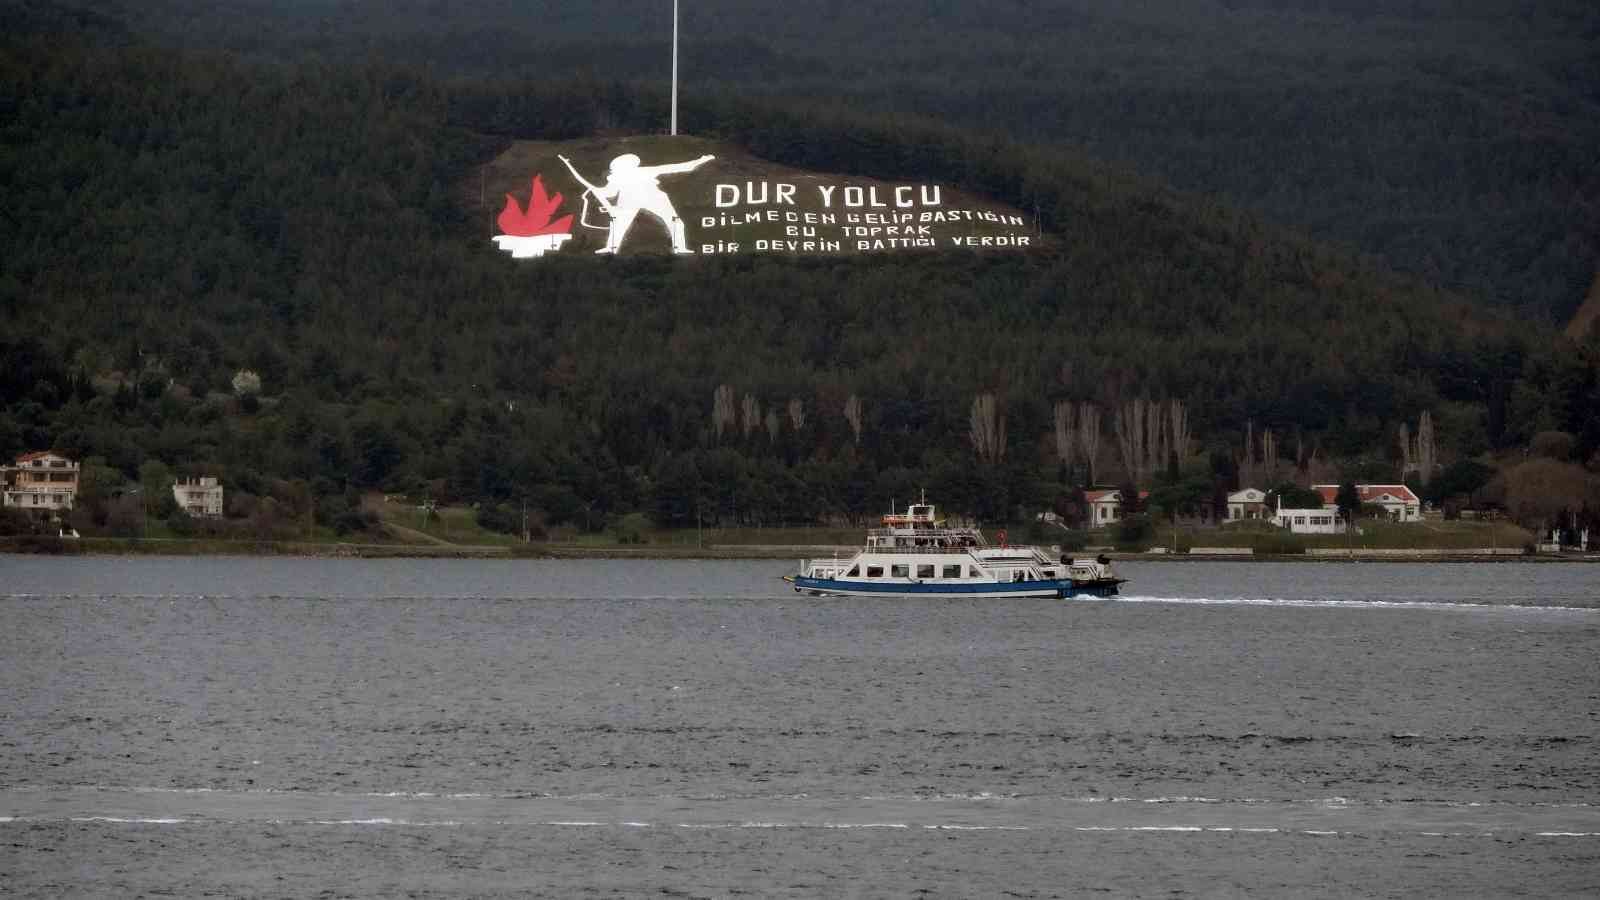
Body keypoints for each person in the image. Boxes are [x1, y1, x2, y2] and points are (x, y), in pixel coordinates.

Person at [588, 153, 714, 254]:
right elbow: (610, 193)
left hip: (654, 198)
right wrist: (599, 191)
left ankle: (680, 248)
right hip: (629, 200)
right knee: (619, 225)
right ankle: (610, 248)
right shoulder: (616, 177)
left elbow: (677, 167)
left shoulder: (645, 171)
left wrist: (700, 161)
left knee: (674, 221)